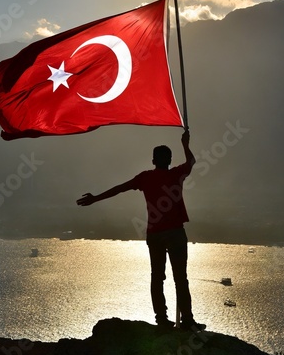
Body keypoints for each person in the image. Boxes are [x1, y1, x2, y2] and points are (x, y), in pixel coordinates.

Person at [77, 129, 205, 331]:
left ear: (153, 160)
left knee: (157, 276)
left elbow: (119, 188)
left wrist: (95, 198)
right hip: (175, 233)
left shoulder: (145, 178)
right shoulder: (175, 175)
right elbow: (191, 163)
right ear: (169, 160)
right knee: (180, 277)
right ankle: (187, 320)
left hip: (155, 234)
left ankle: (162, 319)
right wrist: (185, 144)